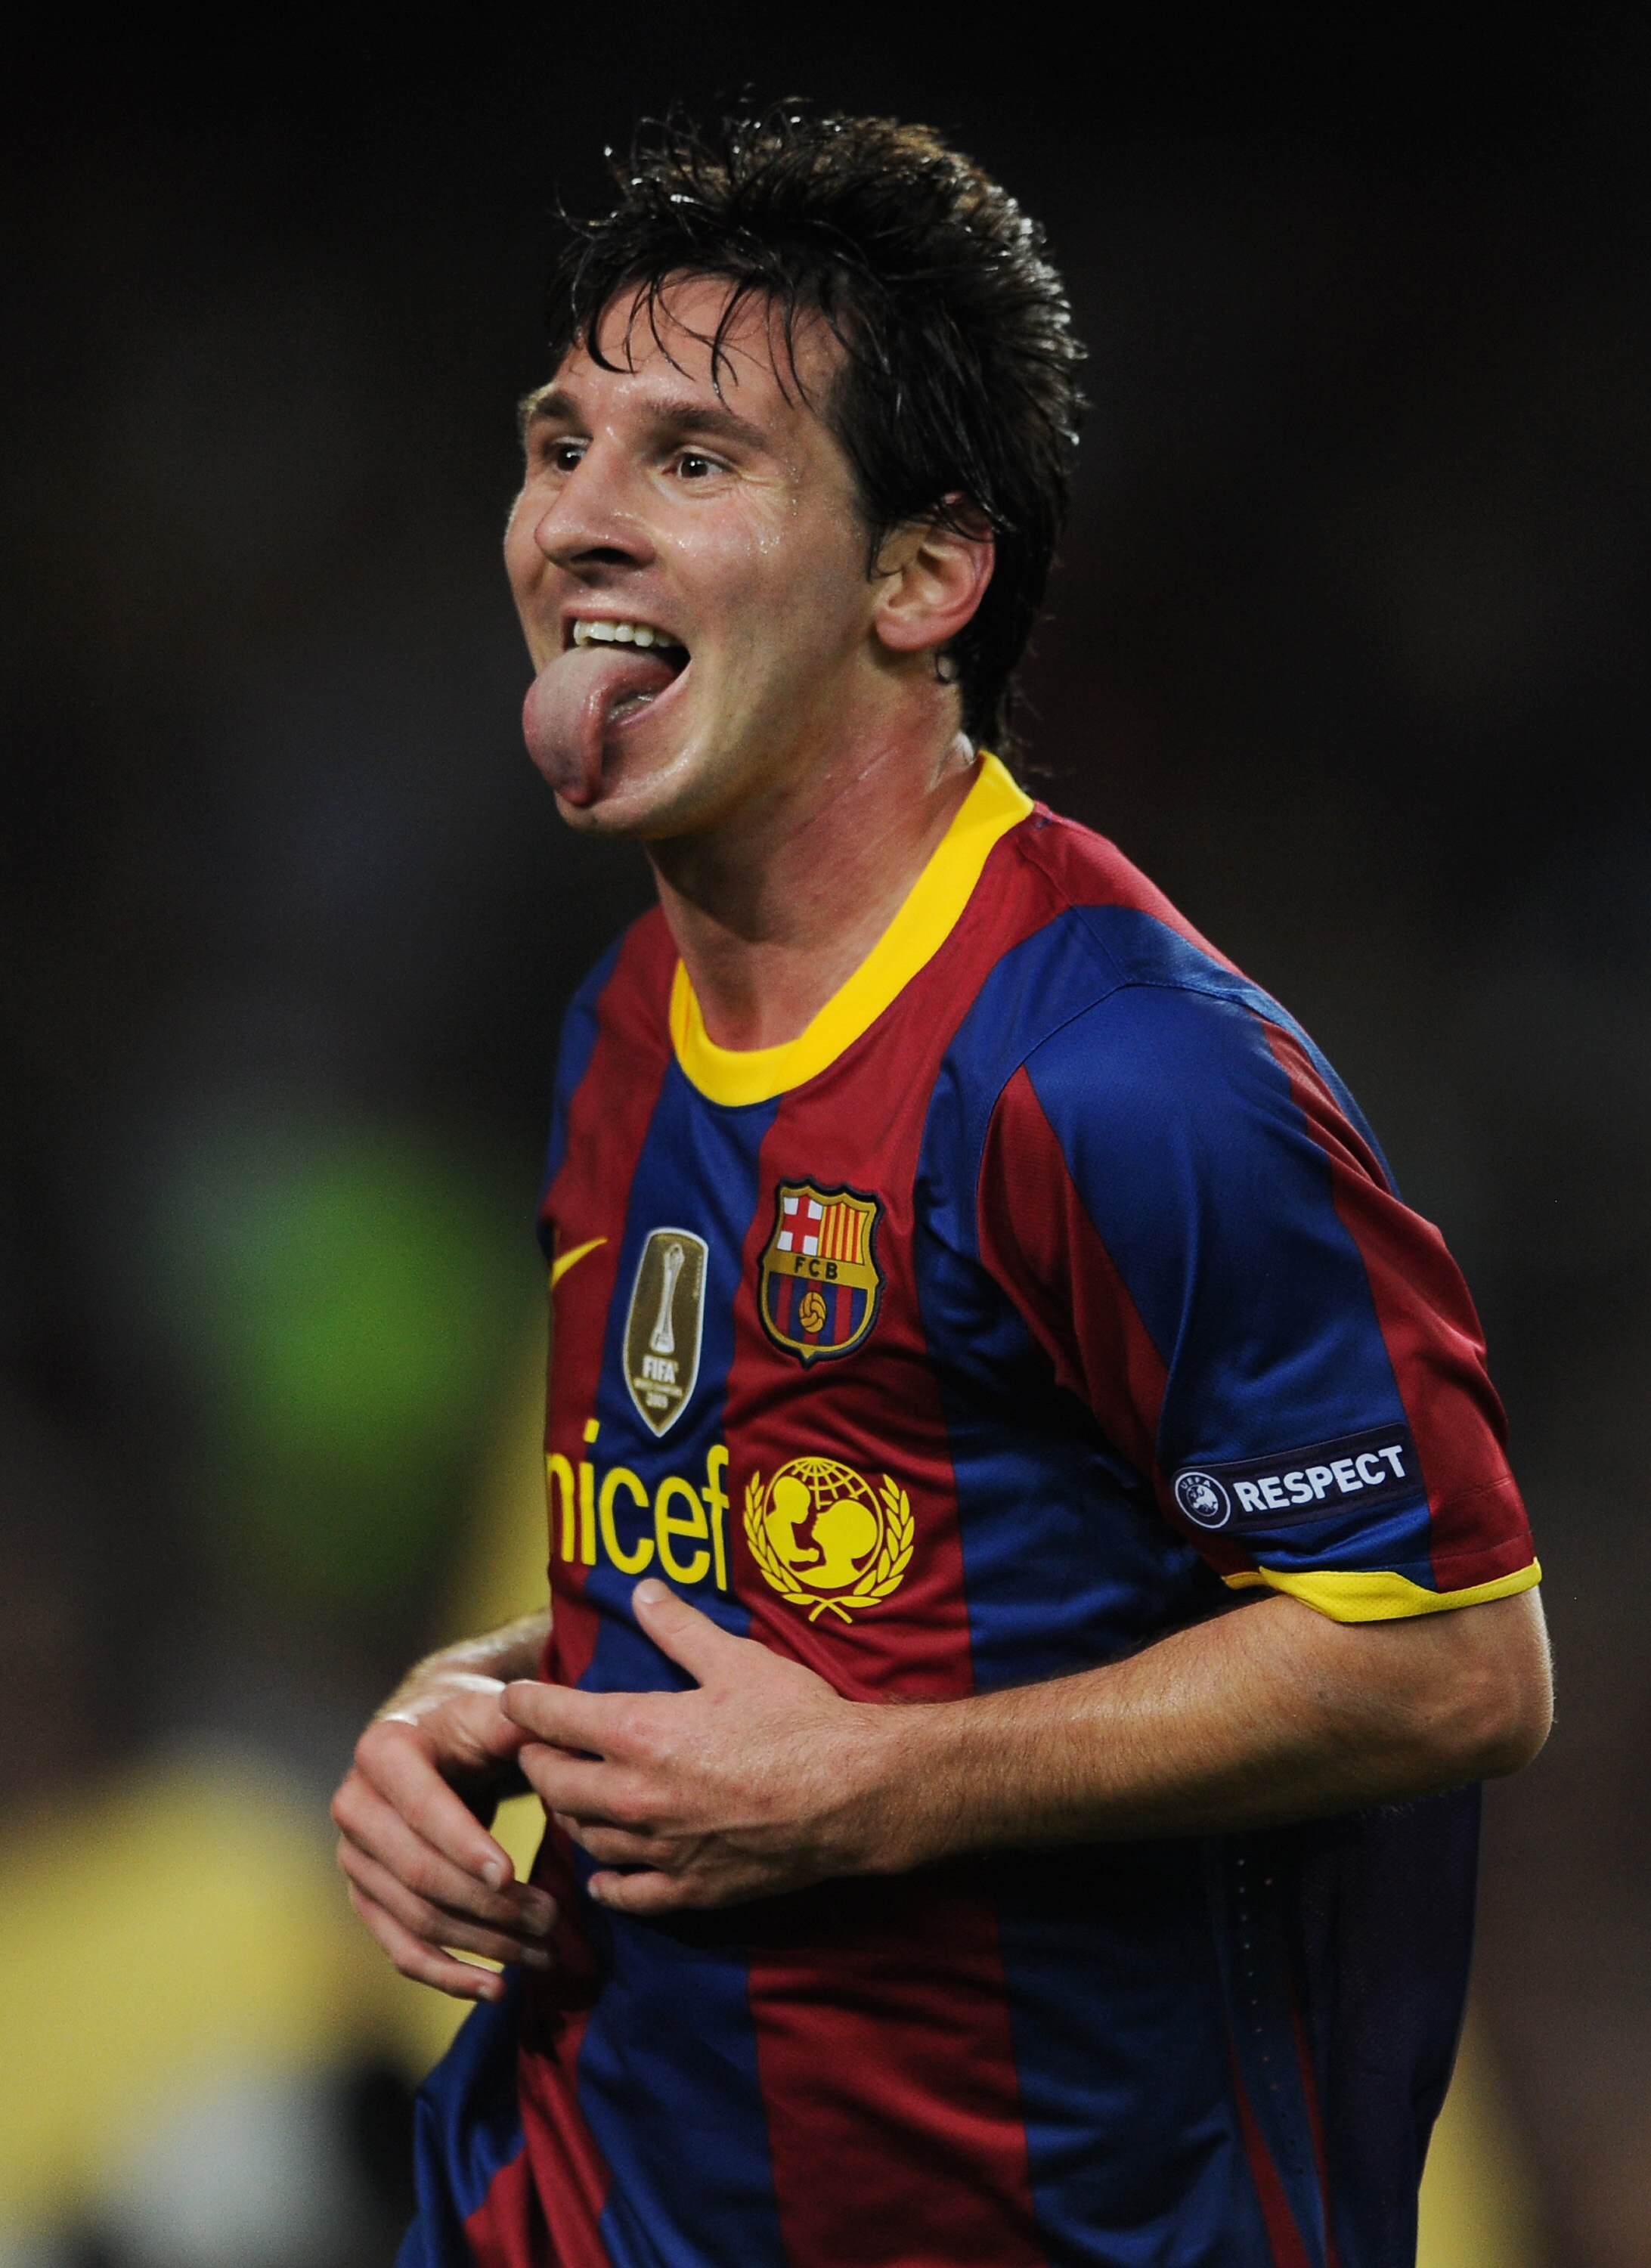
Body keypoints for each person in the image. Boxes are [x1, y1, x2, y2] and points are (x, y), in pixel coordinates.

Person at [331, 108, 1551, 2268]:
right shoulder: (626, 1021)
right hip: (578, 2188)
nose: (576, 526)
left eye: (693, 461)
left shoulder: (1125, 1076)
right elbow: (829, 1564)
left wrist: (876, 1789)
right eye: (557, 444)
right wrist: (494, 1694)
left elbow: (1451, 1656)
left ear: (924, 575)